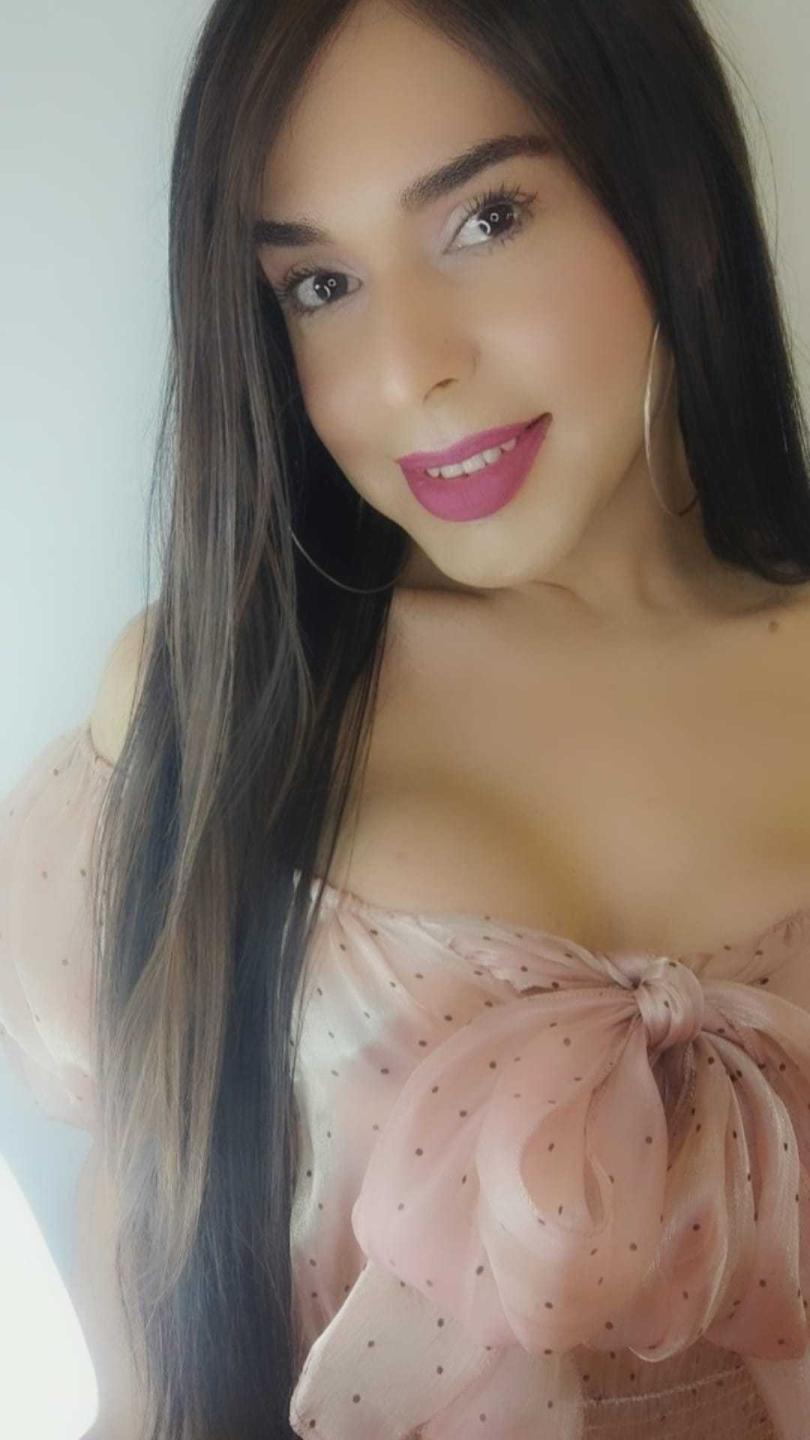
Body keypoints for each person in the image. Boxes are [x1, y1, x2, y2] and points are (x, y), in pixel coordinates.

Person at [2, 0, 810, 1435]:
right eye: (318, 285)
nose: (403, 371)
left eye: (486, 218)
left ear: (671, 197)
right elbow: (150, 1359)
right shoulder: (213, 709)